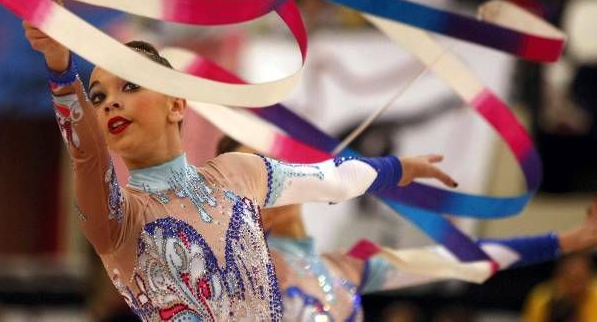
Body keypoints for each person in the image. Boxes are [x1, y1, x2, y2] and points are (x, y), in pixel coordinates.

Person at [22, 19, 457, 321]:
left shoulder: (236, 173)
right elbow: (87, 157)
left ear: (177, 103)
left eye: (130, 86)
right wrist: (62, 72)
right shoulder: (118, 218)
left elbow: (334, 179)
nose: (110, 102)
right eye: (97, 98)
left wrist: (398, 167)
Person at [216, 135, 597, 322]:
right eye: (252, 180)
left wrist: (563, 241)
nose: (270, 181)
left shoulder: (346, 268)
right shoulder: (246, 280)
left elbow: (457, 261)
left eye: (269, 168)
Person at [522, 253, 597, 322]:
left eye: (580, 279)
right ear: (559, 277)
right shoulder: (543, 298)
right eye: (570, 280)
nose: (576, 288)